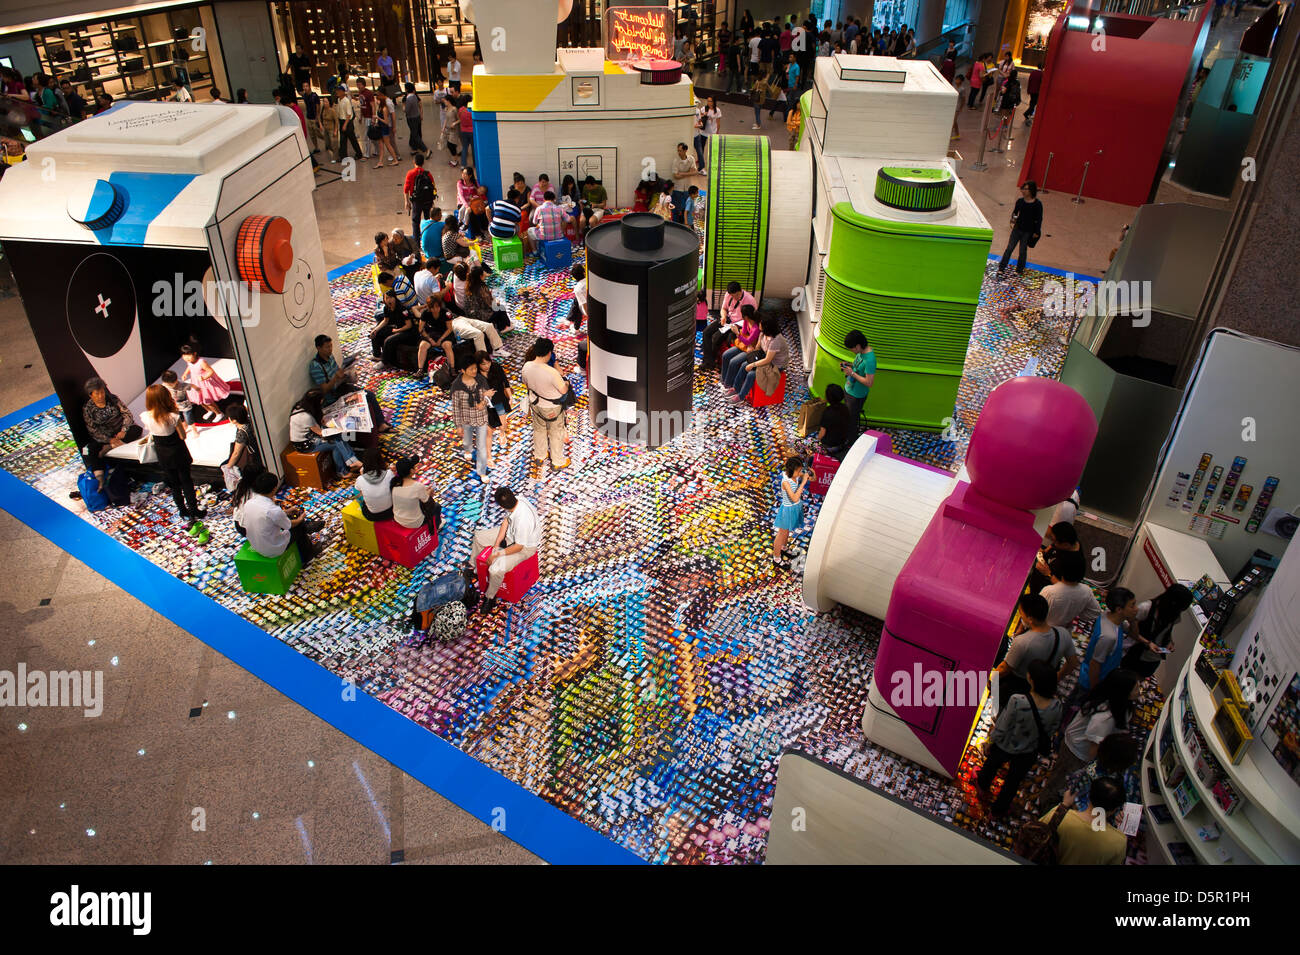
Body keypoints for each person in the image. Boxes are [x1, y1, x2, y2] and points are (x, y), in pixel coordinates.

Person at [1039, 668, 1141, 810]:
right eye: (1135, 688)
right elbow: (1094, 750)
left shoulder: (1121, 707)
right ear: (1123, 691)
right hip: (1076, 753)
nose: (1140, 691)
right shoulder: (1104, 717)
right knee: (1060, 782)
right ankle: (1046, 808)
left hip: (1082, 749)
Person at [977, 660, 1061, 816]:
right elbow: (1052, 728)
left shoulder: (1018, 700)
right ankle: (998, 810)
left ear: (1032, 680)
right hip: (1030, 749)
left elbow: (1003, 725)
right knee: (1013, 782)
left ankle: (982, 790)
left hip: (1005, 744)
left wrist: (991, 741)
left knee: (990, 767)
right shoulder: (1056, 705)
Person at [995, 593, 1080, 708]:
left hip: (1018, 687)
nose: (1021, 616)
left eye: (1021, 613)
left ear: (1030, 619)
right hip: (1042, 688)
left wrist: (992, 681)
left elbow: (1005, 669)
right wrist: (1055, 678)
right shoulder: (1062, 634)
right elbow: (1073, 662)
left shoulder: (1022, 642)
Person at [138, 384, 204, 524]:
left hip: (163, 454)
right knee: (186, 481)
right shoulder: (173, 416)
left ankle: (182, 511)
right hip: (178, 452)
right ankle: (194, 510)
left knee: (174, 484)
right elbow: (182, 436)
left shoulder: (145, 416)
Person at [473, 486, 541, 614]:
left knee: (495, 569)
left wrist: (497, 554)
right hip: (511, 536)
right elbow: (506, 521)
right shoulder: (517, 500)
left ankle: (490, 597)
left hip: (525, 548)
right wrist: (497, 542)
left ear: (501, 506)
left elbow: (519, 547)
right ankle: (474, 569)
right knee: (479, 537)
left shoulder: (523, 521)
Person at [307, 334, 390, 433]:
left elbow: (338, 371)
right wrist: (335, 378)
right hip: (332, 397)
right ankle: (378, 425)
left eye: (331, 346)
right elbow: (324, 389)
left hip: (342, 387)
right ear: (318, 348)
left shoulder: (330, 357)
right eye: (327, 347)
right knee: (366, 397)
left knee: (368, 394)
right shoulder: (315, 366)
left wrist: (347, 374)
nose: (330, 349)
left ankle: (380, 423)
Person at [244, 470, 323, 565]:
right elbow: (290, 525)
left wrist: (286, 512)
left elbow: (269, 517)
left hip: (256, 545)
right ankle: (308, 555)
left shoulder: (249, 503)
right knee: (299, 527)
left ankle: (308, 527)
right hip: (272, 548)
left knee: (290, 518)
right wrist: (301, 518)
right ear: (274, 489)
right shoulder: (273, 509)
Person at [1042, 779, 1128, 865]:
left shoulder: (1058, 816)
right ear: (1115, 809)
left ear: (1089, 795)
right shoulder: (1119, 842)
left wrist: (1064, 804)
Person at [1076, 587, 1139, 698]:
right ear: (1119, 609)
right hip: (1091, 682)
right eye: (1132, 606)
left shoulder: (1109, 616)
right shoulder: (1108, 637)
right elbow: (1094, 665)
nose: (1136, 609)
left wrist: (1133, 620)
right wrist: (1095, 691)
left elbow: (1134, 635)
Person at [1121, 584, 1194, 679]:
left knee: (1137, 679)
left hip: (1154, 659)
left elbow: (1166, 630)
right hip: (1134, 653)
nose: (1179, 612)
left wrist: (1169, 642)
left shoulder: (1174, 614)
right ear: (1173, 603)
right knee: (1124, 678)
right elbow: (1129, 629)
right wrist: (1147, 643)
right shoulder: (1146, 608)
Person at [521, 338, 570, 471]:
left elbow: (525, 383)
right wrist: (566, 382)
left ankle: (540, 455)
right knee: (556, 433)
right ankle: (558, 461)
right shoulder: (552, 372)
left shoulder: (527, 366)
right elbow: (563, 390)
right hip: (552, 407)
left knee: (539, 430)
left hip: (535, 405)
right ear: (549, 353)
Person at [289, 389, 361, 475]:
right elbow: (320, 433)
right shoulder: (305, 416)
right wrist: (337, 429)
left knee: (339, 436)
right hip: (305, 444)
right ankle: (342, 471)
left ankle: (351, 460)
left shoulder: (301, 406)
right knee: (336, 443)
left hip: (309, 435)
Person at [728, 314, 789, 404]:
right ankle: (736, 388)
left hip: (776, 365)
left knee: (751, 374)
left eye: (761, 324)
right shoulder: (763, 334)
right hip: (766, 358)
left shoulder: (776, 341)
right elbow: (758, 349)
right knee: (744, 365)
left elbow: (768, 360)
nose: (759, 325)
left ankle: (741, 397)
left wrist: (753, 364)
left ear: (767, 327)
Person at [450, 356, 492, 478]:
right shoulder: (456, 386)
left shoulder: (481, 381)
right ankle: (467, 449)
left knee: (481, 447)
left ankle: (482, 471)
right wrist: (458, 425)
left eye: (475, 368)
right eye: (471, 369)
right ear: (463, 370)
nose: (474, 371)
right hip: (466, 420)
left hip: (481, 418)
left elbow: (489, 396)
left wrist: (483, 403)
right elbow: (455, 408)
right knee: (467, 441)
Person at [1040, 549, 1101, 631]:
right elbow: (1095, 612)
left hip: (1044, 631)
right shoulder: (1086, 591)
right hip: (1064, 632)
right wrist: (1072, 614)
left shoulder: (1049, 591)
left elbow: (1033, 615)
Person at [702, 281, 757, 369]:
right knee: (706, 332)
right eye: (732, 296)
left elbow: (752, 319)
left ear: (740, 290)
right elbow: (724, 308)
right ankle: (708, 361)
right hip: (728, 319)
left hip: (739, 324)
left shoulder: (750, 300)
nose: (734, 298)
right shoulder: (728, 294)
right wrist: (723, 316)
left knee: (716, 337)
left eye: (736, 295)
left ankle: (711, 362)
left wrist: (737, 327)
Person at [998, 180, 1042, 278]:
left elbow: (1039, 219)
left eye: (1026, 189)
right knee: (1009, 248)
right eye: (1023, 188)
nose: (1023, 191)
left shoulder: (1037, 204)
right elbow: (1015, 213)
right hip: (1017, 229)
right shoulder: (1020, 201)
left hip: (1028, 231)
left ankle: (1019, 270)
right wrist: (1012, 220)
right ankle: (1001, 268)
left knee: (1022, 251)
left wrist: (1037, 231)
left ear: (1031, 190)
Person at [477, 351, 514, 462]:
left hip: (499, 400)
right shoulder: (475, 374)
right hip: (485, 405)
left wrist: (510, 397)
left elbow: (505, 382)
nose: (486, 366)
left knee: (503, 425)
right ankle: (489, 457)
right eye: (483, 364)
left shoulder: (496, 367)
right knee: (488, 431)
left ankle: (502, 434)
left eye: (488, 363)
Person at [773, 456, 808, 569]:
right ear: (791, 470)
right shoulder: (786, 482)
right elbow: (794, 498)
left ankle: (783, 547)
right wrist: (803, 483)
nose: (799, 473)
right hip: (787, 509)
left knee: (787, 530)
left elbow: (811, 477)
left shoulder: (794, 474)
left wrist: (809, 473)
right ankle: (776, 558)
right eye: (798, 471)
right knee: (781, 533)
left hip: (793, 508)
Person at [391, 455, 441, 535]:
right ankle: (436, 528)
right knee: (437, 506)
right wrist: (430, 494)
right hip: (414, 522)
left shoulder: (393, 484)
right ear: (411, 471)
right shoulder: (417, 486)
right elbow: (429, 504)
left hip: (398, 518)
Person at [1027, 520, 1081, 594]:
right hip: (1036, 584)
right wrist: (1042, 552)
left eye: (1054, 541)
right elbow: (1048, 550)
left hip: (1045, 594)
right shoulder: (1069, 541)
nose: (1053, 543)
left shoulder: (1074, 564)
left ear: (1065, 544)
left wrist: (1048, 574)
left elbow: (1066, 590)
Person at [372, 286, 420, 367]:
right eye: (386, 298)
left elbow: (409, 325)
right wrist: (376, 329)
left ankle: (385, 361)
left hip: (408, 331)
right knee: (377, 333)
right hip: (397, 328)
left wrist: (397, 331)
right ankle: (377, 355)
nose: (389, 300)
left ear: (395, 298)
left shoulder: (402, 309)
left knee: (389, 341)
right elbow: (385, 321)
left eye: (390, 298)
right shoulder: (387, 308)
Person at [717, 304, 762, 389]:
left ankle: (728, 384)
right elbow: (744, 334)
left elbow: (746, 339)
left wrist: (737, 333)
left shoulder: (756, 328)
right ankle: (723, 379)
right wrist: (743, 337)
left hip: (751, 350)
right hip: (744, 346)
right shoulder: (746, 321)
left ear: (746, 316)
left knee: (733, 362)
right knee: (725, 355)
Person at [180, 345, 229, 422]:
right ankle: (210, 411)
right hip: (196, 383)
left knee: (207, 401)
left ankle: (219, 413)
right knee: (198, 400)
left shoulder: (201, 362)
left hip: (204, 384)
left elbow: (210, 371)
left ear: (195, 353)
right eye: (184, 355)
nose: (186, 357)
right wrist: (185, 374)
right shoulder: (189, 362)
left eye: (189, 355)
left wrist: (204, 378)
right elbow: (189, 367)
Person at [841, 330, 875, 427]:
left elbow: (869, 383)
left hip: (856, 396)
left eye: (851, 348)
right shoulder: (861, 353)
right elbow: (859, 367)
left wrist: (851, 373)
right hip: (849, 389)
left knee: (851, 423)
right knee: (847, 418)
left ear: (858, 346)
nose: (851, 351)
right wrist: (848, 365)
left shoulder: (870, 360)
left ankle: (851, 440)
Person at [416, 298, 456, 375]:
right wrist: (430, 339)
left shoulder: (446, 313)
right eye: (432, 307)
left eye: (437, 307)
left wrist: (440, 340)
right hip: (431, 333)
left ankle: (452, 368)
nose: (435, 309)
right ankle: (420, 370)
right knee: (422, 346)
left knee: (447, 345)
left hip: (444, 333)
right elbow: (420, 329)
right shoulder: (425, 313)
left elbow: (449, 329)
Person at [354, 448, 395, 521]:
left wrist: (362, 475)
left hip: (372, 516)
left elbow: (357, 496)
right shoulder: (389, 473)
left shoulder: (360, 479)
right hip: (391, 511)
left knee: (359, 492)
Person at [816, 384, 855, 459]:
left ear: (828, 398)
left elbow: (822, 433)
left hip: (830, 446)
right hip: (843, 442)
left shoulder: (827, 412)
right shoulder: (845, 408)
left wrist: (818, 440)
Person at [404, 152, 437, 239]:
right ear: (423, 163)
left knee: (416, 222)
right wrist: (432, 200)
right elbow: (433, 186)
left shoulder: (410, 173)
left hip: (416, 201)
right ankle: (428, 238)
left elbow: (406, 189)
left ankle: (417, 242)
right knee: (428, 220)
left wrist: (406, 201)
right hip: (428, 200)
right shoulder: (428, 174)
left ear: (414, 162)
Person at [224, 401, 256, 475]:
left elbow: (236, 453)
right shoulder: (250, 420)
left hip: (254, 456)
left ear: (234, 420)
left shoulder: (242, 433)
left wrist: (228, 468)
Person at [371, 90, 399, 168]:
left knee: (388, 145)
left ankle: (395, 159)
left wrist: (378, 118)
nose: (376, 101)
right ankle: (380, 162)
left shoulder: (384, 109)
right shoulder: (380, 108)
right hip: (380, 128)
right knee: (381, 146)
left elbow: (386, 121)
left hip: (384, 129)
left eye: (378, 99)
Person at [334, 87, 361, 162]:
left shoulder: (346, 101)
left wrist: (345, 125)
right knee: (342, 140)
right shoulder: (339, 100)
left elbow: (349, 114)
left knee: (352, 139)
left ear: (343, 92)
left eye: (339, 91)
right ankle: (343, 156)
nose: (337, 93)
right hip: (341, 120)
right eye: (337, 91)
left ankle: (359, 154)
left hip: (347, 122)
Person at [694, 96, 720, 167]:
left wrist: (717, 132)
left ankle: (713, 159)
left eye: (710, 101)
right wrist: (703, 115)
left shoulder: (717, 110)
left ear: (714, 102)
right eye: (708, 101)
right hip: (704, 131)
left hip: (712, 132)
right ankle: (700, 159)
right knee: (701, 146)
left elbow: (718, 122)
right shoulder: (703, 109)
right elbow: (699, 118)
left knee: (713, 147)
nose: (709, 103)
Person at [299, 82, 322, 154]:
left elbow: (318, 106)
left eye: (306, 86)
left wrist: (317, 118)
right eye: (304, 86)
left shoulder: (314, 96)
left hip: (314, 118)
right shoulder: (305, 96)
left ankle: (328, 142)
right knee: (312, 135)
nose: (305, 88)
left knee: (318, 133)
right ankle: (316, 147)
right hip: (308, 117)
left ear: (309, 87)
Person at [356, 77, 376, 159]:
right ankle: (376, 150)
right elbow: (362, 105)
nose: (358, 86)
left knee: (367, 135)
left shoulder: (368, 93)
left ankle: (367, 153)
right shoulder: (360, 93)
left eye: (359, 85)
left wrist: (373, 117)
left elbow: (373, 105)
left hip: (369, 116)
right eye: (357, 85)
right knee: (371, 135)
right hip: (365, 116)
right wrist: (361, 116)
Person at [439, 97, 461, 166]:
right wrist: (443, 127)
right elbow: (446, 119)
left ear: (448, 101)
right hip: (448, 129)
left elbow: (459, 119)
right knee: (451, 145)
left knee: (450, 145)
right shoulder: (446, 109)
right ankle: (455, 159)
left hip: (454, 130)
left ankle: (455, 160)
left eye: (445, 101)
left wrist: (454, 123)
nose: (444, 102)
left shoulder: (454, 109)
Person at [317, 89, 337, 157]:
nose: (325, 103)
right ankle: (331, 154)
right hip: (325, 129)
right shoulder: (323, 110)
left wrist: (335, 130)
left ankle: (335, 155)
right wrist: (320, 124)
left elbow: (336, 121)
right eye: (324, 102)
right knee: (327, 143)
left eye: (326, 102)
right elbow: (320, 117)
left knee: (333, 143)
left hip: (331, 129)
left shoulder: (332, 111)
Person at [457, 97, 474, 169]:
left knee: (464, 148)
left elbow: (459, 118)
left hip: (463, 131)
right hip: (472, 131)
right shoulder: (471, 111)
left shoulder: (460, 110)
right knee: (474, 148)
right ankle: (475, 164)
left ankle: (463, 165)